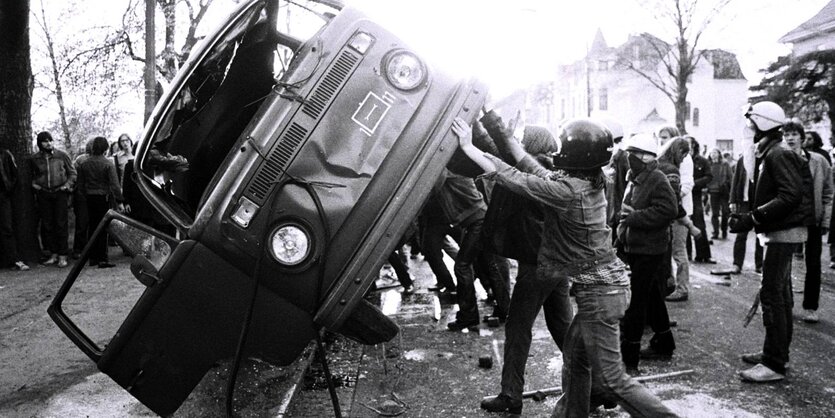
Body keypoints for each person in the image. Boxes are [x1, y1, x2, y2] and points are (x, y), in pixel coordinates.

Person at [454, 116, 677, 417]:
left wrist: (469, 146)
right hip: (601, 288)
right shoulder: (589, 182)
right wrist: (506, 136)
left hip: (601, 293)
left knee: (613, 380)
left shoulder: (567, 192)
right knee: (575, 357)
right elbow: (532, 169)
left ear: (571, 160)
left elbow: (514, 177)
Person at [475, 121, 572, 414]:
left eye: (522, 138)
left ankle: (511, 395)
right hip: (556, 261)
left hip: (538, 262)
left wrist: (483, 123)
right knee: (563, 328)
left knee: (518, 328)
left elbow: (496, 152)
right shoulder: (552, 170)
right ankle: (596, 386)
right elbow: (498, 150)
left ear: (532, 144)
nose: (517, 141)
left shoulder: (534, 170)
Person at [731, 101, 812, 383]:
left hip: (783, 233)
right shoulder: (771, 152)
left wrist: (753, 217)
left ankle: (774, 362)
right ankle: (777, 354)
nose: (748, 129)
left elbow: (790, 196)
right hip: (780, 232)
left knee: (773, 295)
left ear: (764, 124)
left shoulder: (777, 154)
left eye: (752, 124)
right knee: (781, 295)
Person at [616, 133, 679, 371]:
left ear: (645, 157)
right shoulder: (635, 177)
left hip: (650, 249)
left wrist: (634, 218)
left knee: (638, 302)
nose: (628, 158)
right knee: (651, 294)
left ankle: (629, 356)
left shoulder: (657, 178)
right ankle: (664, 342)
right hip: (635, 246)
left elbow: (668, 210)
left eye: (632, 154)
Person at [783, 120, 832, 324]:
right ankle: (786, 304)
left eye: (794, 134)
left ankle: (811, 307)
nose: (791, 138)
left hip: (813, 219)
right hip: (788, 220)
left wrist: (826, 220)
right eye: (787, 134)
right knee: (784, 264)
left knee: (813, 265)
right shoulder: (780, 159)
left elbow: (828, 193)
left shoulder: (819, 161)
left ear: (802, 138)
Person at [28, 131, 76, 268]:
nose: (49, 143)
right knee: (48, 225)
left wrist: (67, 186)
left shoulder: (62, 155)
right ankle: (53, 254)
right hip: (43, 194)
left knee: (61, 224)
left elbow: (72, 173)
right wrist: (35, 184)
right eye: (45, 141)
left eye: (50, 140)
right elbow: (31, 175)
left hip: (60, 193)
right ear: (40, 143)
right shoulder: (35, 158)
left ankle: (63, 255)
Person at [76, 136, 125, 268]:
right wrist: (120, 200)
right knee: (103, 227)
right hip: (104, 198)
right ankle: (102, 258)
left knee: (92, 227)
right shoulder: (108, 163)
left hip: (89, 198)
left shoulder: (84, 163)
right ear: (105, 148)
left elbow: (80, 185)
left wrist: (84, 196)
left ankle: (93, 258)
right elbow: (115, 185)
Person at [0, 147, 28, 271]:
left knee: (7, 228)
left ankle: (14, 260)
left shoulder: (5, 154)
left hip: (3, 196)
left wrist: (8, 189)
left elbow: (15, 175)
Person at [687, 136, 714, 263]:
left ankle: (703, 255)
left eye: (689, 143)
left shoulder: (701, 161)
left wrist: (694, 183)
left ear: (694, 145)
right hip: (684, 195)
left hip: (696, 195)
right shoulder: (680, 159)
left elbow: (709, 176)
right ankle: (687, 255)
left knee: (699, 224)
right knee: (684, 224)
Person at [707, 148, 732, 240]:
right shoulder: (708, 164)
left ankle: (724, 230)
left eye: (715, 152)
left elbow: (730, 176)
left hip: (723, 191)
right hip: (713, 191)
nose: (713, 154)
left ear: (719, 154)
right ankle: (715, 232)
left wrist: (731, 188)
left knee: (725, 212)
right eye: (711, 153)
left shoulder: (724, 164)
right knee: (714, 213)